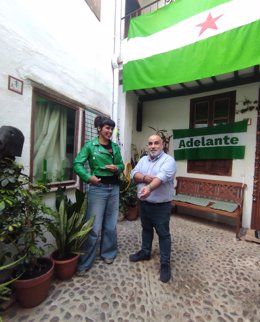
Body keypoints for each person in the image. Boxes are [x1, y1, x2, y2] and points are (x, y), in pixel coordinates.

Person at [73, 116, 124, 275]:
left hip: (114, 188)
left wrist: (116, 168)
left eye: (111, 128)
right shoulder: (90, 146)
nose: (109, 131)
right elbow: (77, 164)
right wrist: (89, 178)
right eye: (107, 128)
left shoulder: (115, 147)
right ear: (99, 128)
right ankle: (86, 262)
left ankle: (108, 253)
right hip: (98, 188)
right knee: (93, 226)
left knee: (110, 224)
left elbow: (122, 165)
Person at [129, 134, 176, 283]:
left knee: (163, 234)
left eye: (156, 143)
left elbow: (161, 177)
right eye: (150, 143)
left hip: (161, 206)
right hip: (145, 204)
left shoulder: (168, 161)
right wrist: (144, 178)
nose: (153, 146)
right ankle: (145, 252)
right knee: (146, 229)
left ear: (162, 145)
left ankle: (165, 264)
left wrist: (148, 187)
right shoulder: (143, 160)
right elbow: (133, 173)